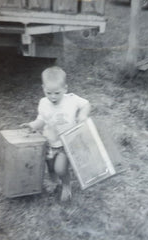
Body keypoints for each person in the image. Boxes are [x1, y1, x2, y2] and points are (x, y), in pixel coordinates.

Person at [20, 66, 91, 201]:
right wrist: (33, 125)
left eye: (57, 93)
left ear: (65, 88)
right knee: (51, 167)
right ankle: (54, 182)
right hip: (49, 142)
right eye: (49, 93)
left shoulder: (71, 100)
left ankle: (66, 185)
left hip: (66, 143)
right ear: (43, 88)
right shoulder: (43, 103)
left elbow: (86, 104)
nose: (52, 97)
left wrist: (82, 115)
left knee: (60, 168)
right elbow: (41, 119)